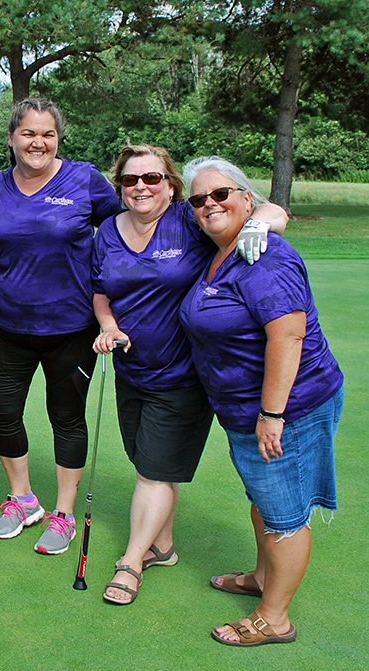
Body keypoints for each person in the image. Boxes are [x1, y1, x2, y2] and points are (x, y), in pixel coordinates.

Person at [92, 144, 288, 605]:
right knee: (151, 464)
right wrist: (108, 326)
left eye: (152, 178)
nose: (141, 186)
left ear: (171, 185)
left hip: (183, 376)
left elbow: (272, 210)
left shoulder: (189, 218)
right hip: (132, 372)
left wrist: (259, 223)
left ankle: (132, 562)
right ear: (119, 187)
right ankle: (163, 546)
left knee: (154, 474)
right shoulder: (107, 231)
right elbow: (101, 290)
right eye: (130, 180)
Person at [179, 155, 343, 646]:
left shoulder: (264, 257)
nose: (209, 204)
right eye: (199, 199)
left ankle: (275, 618)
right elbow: (272, 209)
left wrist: (272, 414)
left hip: (289, 408)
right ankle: (262, 577)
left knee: (284, 515)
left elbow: (287, 339)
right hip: (243, 409)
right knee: (263, 500)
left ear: (246, 199)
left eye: (221, 194)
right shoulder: (220, 248)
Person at [0, 98, 120, 555]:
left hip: (71, 327)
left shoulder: (84, 180)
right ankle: (23, 499)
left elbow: (129, 226)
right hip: (7, 325)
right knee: (2, 413)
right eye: (28, 133)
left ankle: (63, 512)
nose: (37, 143)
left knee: (66, 418)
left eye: (47, 134)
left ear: (58, 138)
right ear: (11, 138)